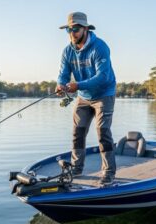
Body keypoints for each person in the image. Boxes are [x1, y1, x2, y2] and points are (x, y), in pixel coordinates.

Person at [56, 11, 117, 185]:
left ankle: (108, 172)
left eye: (75, 29)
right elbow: (63, 74)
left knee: (103, 131)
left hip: (104, 94)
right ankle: (76, 168)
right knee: (78, 131)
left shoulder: (100, 47)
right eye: (68, 30)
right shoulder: (68, 51)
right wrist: (61, 85)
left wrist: (78, 85)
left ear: (85, 29)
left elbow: (103, 77)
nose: (72, 33)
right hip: (83, 97)